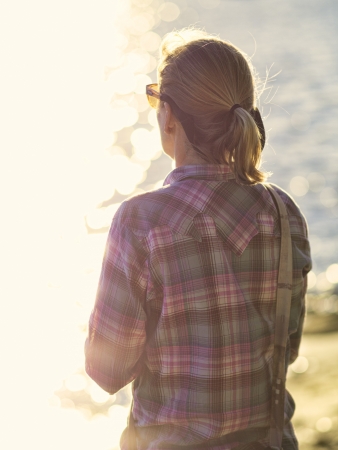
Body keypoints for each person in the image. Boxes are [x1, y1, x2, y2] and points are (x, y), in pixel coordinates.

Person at [85, 29, 312, 450]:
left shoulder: (142, 222)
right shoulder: (285, 213)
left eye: (156, 98)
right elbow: (287, 348)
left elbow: (107, 371)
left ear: (169, 115)